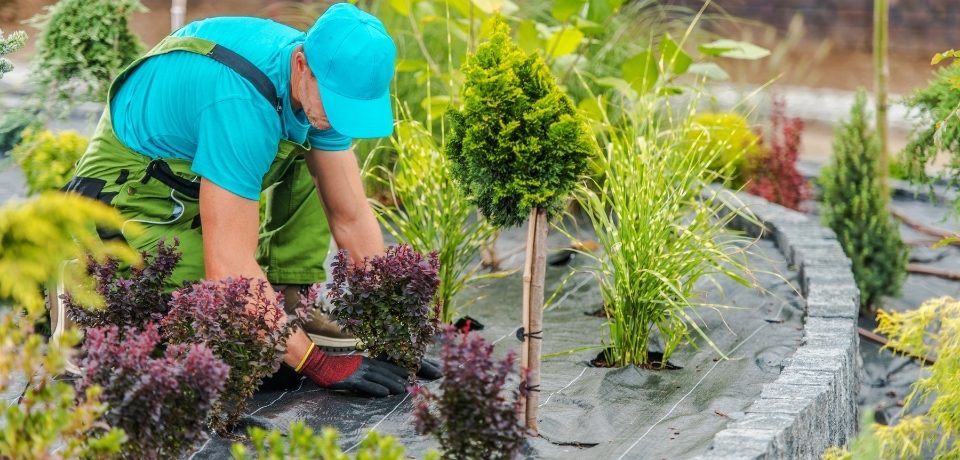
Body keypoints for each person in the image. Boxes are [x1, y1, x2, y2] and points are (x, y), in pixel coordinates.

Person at [59, 3, 437, 397]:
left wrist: (392, 332)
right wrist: (317, 363)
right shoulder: (240, 103)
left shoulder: (319, 87)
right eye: (336, 103)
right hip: (128, 192)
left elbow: (351, 217)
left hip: (192, 175)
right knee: (197, 337)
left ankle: (289, 300)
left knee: (319, 160)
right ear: (302, 63)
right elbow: (229, 268)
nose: (339, 119)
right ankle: (79, 278)